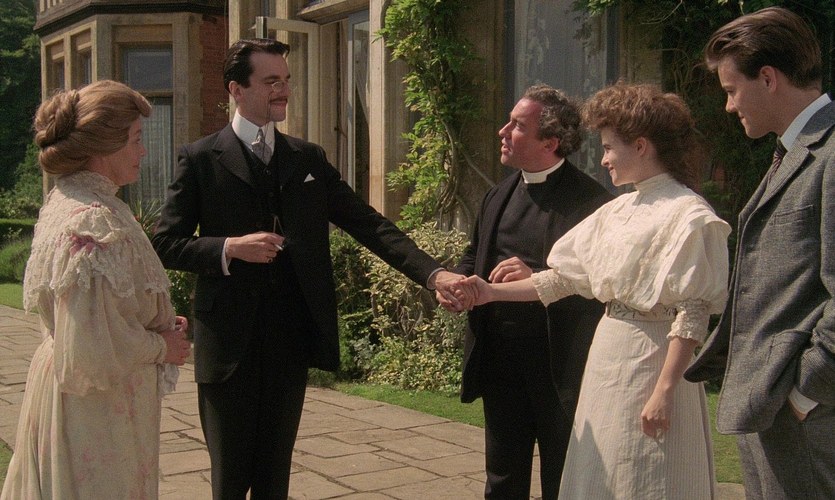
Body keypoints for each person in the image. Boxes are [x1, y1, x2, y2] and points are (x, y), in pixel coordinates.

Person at [151, 38, 465, 499]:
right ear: (236, 89)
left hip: (290, 339)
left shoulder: (308, 158)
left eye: (286, 80)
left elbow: (368, 223)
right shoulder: (199, 158)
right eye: (271, 81)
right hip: (228, 345)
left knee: (275, 478)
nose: (284, 90)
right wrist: (230, 248)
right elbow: (165, 243)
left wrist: (434, 274)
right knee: (229, 480)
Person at [460, 82, 731, 499]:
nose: (602, 159)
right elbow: (562, 280)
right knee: (599, 475)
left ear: (640, 146)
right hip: (607, 358)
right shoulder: (619, 208)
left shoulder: (688, 214)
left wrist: (665, 390)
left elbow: (692, 311)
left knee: (647, 474)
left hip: (652, 360)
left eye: (608, 148)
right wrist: (490, 292)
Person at [0, 80, 191, 498]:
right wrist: (161, 345)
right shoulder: (91, 219)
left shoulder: (70, 200)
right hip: (97, 413)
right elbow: (88, 349)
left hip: (81, 399)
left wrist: (155, 320)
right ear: (106, 146)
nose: (144, 151)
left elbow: (90, 312)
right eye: (136, 139)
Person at [684, 7, 835, 499]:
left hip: (805, 417)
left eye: (732, 90)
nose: (729, 106)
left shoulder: (831, 155)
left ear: (768, 78)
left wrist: (804, 393)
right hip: (772, 409)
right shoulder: (794, 152)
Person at [438, 84, 611, 499]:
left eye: (517, 125)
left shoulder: (593, 203)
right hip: (500, 363)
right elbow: (474, 255)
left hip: (561, 367)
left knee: (564, 483)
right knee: (501, 482)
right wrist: (456, 284)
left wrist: (537, 274)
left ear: (550, 143)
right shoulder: (498, 194)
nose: (503, 131)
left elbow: (603, 284)